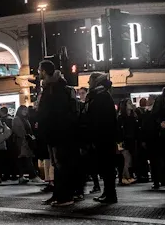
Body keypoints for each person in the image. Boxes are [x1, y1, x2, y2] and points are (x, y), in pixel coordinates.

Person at [35, 58, 79, 206]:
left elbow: (56, 112)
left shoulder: (56, 88)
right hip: (53, 133)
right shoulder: (50, 87)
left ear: (44, 71)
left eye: (39, 69)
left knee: (62, 165)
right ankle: (58, 194)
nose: (37, 72)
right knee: (57, 165)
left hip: (59, 133)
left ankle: (65, 196)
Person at [83, 72, 118, 204]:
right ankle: (108, 193)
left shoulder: (101, 96)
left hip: (103, 137)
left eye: (90, 80)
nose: (88, 83)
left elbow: (98, 118)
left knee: (107, 167)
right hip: (103, 136)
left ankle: (110, 194)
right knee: (105, 167)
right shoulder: (100, 95)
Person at [11, 106, 36, 183]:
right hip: (22, 142)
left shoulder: (25, 119)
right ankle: (33, 175)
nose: (25, 111)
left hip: (26, 141)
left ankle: (22, 176)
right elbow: (17, 130)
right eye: (23, 110)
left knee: (23, 160)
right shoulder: (17, 119)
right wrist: (25, 136)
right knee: (27, 159)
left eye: (26, 110)